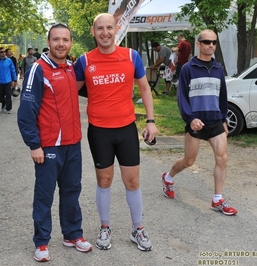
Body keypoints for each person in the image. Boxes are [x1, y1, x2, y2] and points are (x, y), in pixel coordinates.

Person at [74, 13, 158, 252]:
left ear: (116, 28)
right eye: (100, 28)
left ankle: (138, 229)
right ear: (93, 31)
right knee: (104, 180)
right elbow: (68, 91)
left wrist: (151, 121)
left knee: (132, 181)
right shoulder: (84, 61)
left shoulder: (131, 56)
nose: (105, 33)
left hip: (126, 129)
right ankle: (105, 227)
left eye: (109, 28)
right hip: (100, 131)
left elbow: (144, 89)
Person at [17, 23, 93, 262]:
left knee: (72, 190)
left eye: (65, 40)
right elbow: (26, 111)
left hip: (73, 144)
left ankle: (72, 234)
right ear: (48, 42)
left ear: (70, 43)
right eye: (56, 39)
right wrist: (34, 145)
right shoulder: (37, 70)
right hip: (48, 146)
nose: (61, 44)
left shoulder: (71, 68)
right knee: (44, 194)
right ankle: (41, 242)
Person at [161, 29, 238, 216]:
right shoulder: (188, 68)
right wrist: (190, 118)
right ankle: (168, 177)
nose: (211, 45)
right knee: (189, 160)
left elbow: (222, 97)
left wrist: (224, 119)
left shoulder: (219, 69)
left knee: (223, 158)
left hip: (215, 121)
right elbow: (182, 98)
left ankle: (217, 199)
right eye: (207, 42)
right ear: (198, 44)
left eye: (214, 42)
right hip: (195, 120)